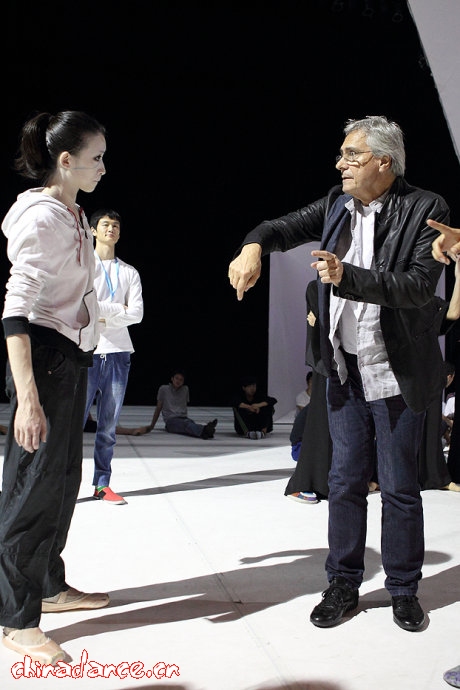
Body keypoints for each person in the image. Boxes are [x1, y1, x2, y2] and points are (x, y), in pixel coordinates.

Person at [228, 115, 450, 632]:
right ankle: (343, 583)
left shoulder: (426, 208)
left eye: (351, 155)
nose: (340, 164)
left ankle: (403, 589)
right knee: (344, 482)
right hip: (344, 368)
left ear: (384, 162)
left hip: (396, 372)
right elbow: (280, 227)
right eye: (342, 154)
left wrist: (345, 276)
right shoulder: (336, 204)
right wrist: (253, 245)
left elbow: (418, 286)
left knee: (399, 487)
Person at [0, 111, 110, 665]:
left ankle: (47, 584)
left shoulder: (72, 211)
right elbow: (15, 311)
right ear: (65, 161)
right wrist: (27, 398)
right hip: (42, 361)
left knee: (64, 482)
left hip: (70, 358)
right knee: (31, 490)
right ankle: (14, 617)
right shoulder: (41, 218)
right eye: (96, 158)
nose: (103, 168)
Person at [83, 208, 144, 505]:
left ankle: (102, 484)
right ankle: (62, 485)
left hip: (119, 353)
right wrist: (118, 310)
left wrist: (102, 313)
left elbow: (138, 314)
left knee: (108, 427)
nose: (111, 229)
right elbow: (83, 307)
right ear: (93, 230)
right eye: (105, 224)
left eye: (116, 225)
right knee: (72, 425)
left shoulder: (129, 272)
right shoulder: (83, 266)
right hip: (86, 352)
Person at [133, 369, 218, 439]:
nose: (178, 381)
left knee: (189, 424)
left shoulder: (185, 389)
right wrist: (152, 425)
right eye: (177, 378)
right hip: (171, 420)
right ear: (172, 379)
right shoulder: (164, 389)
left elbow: (184, 405)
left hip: (184, 418)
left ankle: (206, 432)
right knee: (186, 425)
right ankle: (205, 430)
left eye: (181, 380)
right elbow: (158, 408)